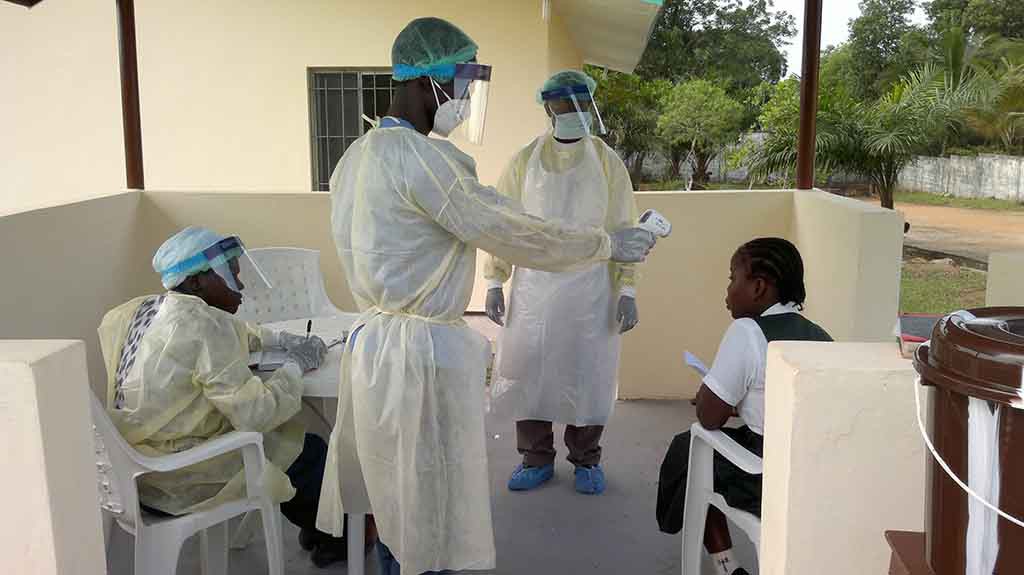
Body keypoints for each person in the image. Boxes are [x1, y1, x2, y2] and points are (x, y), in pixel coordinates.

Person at [315, 17, 658, 575]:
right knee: (426, 496)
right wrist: (605, 243)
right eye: (463, 85)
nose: (465, 98)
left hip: (377, 344)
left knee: (393, 487)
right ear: (432, 81)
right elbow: (512, 228)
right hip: (418, 354)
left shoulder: (358, 155)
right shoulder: (428, 163)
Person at [97, 226, 349, 568]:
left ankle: (320, 530)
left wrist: (278, 338)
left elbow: (235, 332)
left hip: (133, 468)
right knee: (308, 450)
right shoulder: (206, 328)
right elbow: (256, 414)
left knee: (290, 450)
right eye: (231, 272)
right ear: (199, 281)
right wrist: (294, 366)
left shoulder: (145, 310)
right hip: (179, 478)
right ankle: (343, 537)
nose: (241, 285)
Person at [484, 69, 641, 496]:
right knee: (528, 373)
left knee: (586, 374)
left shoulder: (607, 163)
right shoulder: (524, 161)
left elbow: (624, 230)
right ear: (548, 106)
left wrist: (627, 290)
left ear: (588, 105)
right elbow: (504, 224)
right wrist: (496, 279)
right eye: (561, 102)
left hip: (591, 290)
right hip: (534, 289)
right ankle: (535, 458)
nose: (570, 109)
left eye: (577, 101)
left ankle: (586, 460)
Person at [655, 237, 833, 575]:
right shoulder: (821, 337)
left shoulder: (747, 331)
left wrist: (713, 396)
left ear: (759, 288)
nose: (727, 290)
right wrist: (740, 405)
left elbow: (708, 417)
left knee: (689, 449)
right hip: (814, 470)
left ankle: (726, 566)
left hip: (766, 475)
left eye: (732, 278)